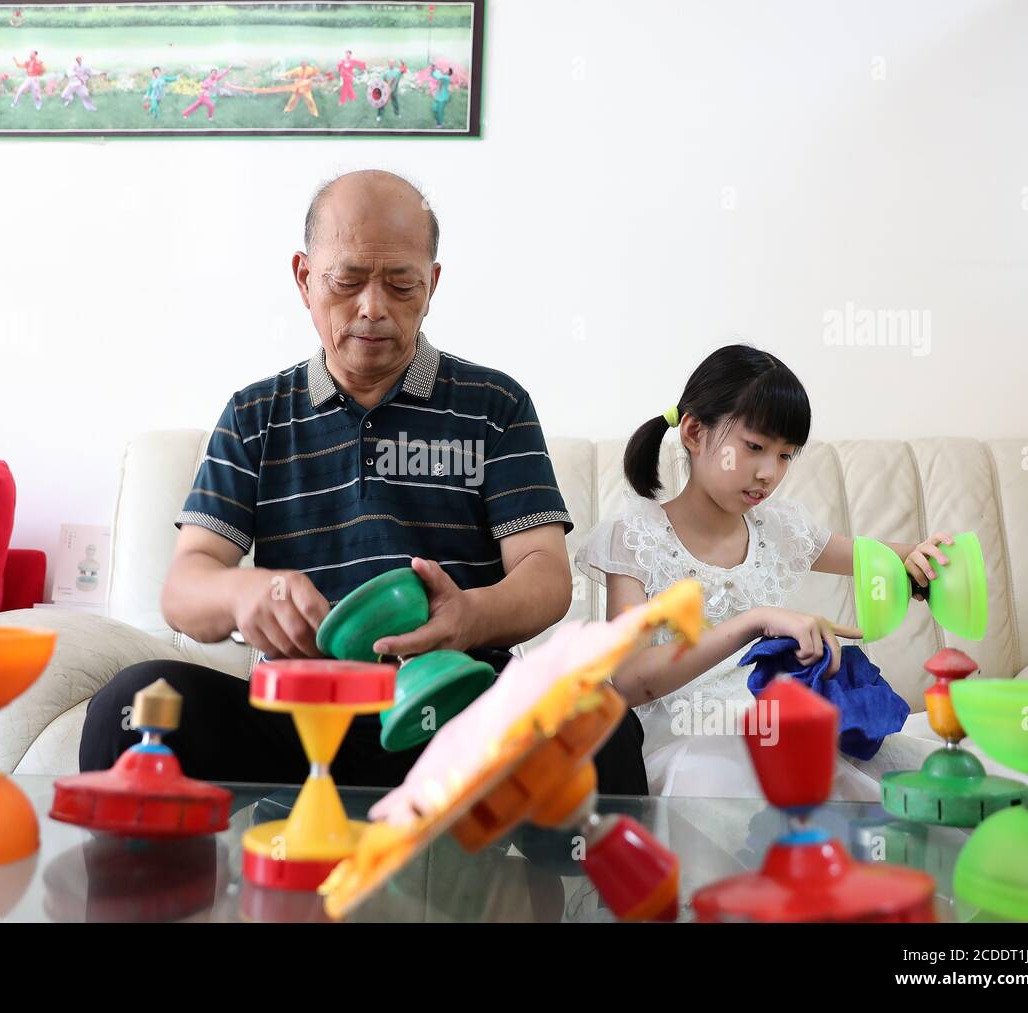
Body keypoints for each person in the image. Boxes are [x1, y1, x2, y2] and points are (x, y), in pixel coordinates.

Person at [79, 170, 649, 795]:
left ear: (431, 285)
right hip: (302, 719)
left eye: (400, 284)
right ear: (304, 278)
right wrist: (247, 593)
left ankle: (574, 893)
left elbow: (546, 574)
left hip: (458, 713)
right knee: (129, 708)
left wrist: (469, 616)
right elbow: (185, 588)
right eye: (346, 281)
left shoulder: (494, 404)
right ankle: (156, 893)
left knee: (603, 723)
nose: (372, 308)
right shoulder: (257, 415)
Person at [575, 344, 957, 799]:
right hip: (693, 747)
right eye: (754, 447)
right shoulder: (636, 537)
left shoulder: (780, 530)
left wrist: (918, 561)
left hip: (779, 723)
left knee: (919, 778)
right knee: (752, 781)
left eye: (785, 456)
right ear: (694, 433)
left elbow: (885, 559)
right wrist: (753, 623)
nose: (768, 473)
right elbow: (631, 680)